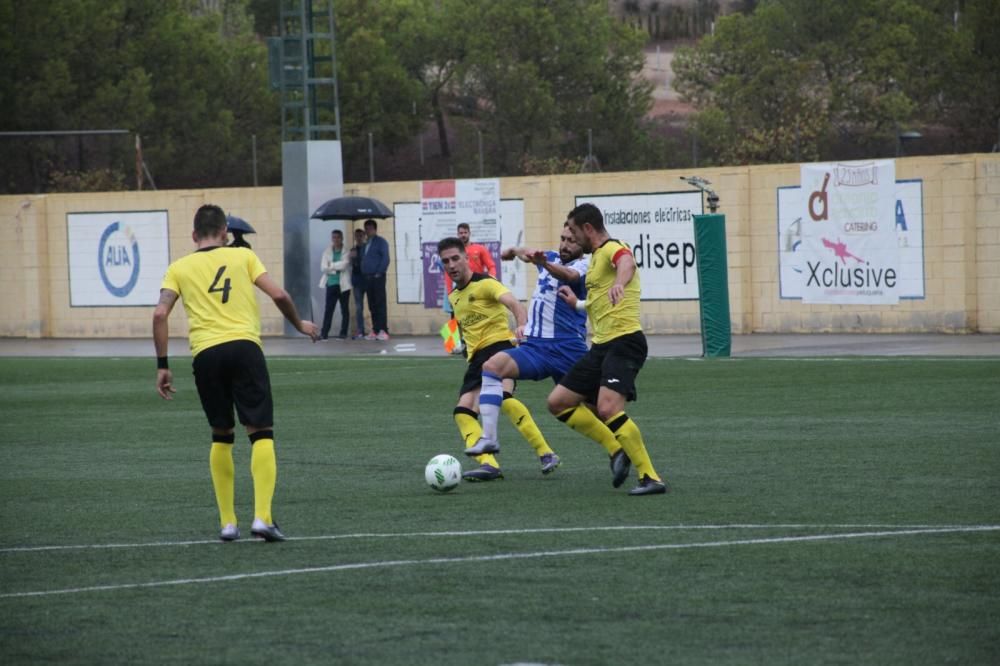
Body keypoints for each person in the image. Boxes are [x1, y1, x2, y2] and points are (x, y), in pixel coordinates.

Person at [153, 204, 319, 542]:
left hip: (206, 355)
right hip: (244, 348)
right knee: (260, 432)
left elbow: (159, 315)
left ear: (194, 235)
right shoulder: (243, 257)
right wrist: (299, 324)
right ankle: (262, 518)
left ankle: (228, 523)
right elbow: (279, 294)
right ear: (226, 232)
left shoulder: (178, 268)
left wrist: (163, 365)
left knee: (221, 434)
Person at [463, 222, 628, 476]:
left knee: (601, 409)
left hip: (568, 352)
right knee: (492, 367)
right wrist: (512, 250)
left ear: (582, 242)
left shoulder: (586, 266)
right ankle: (489, 438)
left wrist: (545, 264)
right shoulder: (549, 257)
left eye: (571, 240)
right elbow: (527, 252)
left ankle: (623, 451)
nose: (564, 244)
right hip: (537, 349)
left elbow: (568, 276)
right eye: (562, 238)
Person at [546, 203, 669, 496]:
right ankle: (617, 449)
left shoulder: (614, 247)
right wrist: (575, 304)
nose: (573, 240)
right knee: (558, 402)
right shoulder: (595, 260)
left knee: (608, 408)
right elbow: (597, 300)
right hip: (600, 346)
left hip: (625, 341)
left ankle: (651, 477)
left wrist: (620, 283)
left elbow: (627, 262)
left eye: (574, 233)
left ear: (588, 229)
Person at [437, 236, 554, 481]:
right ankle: (489, 464)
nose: (451, 265)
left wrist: (522, 327)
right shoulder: (454, 297)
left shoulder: (486, 283)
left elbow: (515, 304)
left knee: (505, 398)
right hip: (476, 359)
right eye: (445, 261)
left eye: (455, 258)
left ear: (466, 258)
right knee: (462, 412)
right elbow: (463, 329)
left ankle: (545, 453)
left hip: (500, 348)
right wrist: (459, 347)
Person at [444, 222, 497, 354]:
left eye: (465, 232)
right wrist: (449, 290)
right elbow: (447, 272)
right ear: (457, 234)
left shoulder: (479, 248)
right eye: (460, 233)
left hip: (475, 286)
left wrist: (492, 279)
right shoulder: (454, 252)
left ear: (469, 233)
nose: (463, 235)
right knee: (454, 315)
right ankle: (451, 345)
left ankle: (473, 342)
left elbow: (491, 265)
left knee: (475, 314)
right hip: (458, 287)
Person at [317, 229, 352, 340]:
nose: (336, 239)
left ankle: (343, 333)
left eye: (338, 237)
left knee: (344, 309)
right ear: (332, 239)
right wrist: (334, 268)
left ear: (342, 238)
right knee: (329, 309)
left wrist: (330, 266)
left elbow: (344, 265)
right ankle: (324, 333)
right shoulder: (327, 251)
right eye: (334, 237)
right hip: (331, 284)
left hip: (344, 285)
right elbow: (323, 267)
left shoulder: (346, 251)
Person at [361, 219, 391, 341]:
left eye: (369, 228)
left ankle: (383, 330)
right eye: (366, 229)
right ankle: (375, 329)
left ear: (375, 229)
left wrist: (379, 272)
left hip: (377, 277)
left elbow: (385, 258)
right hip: (367, 278)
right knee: (372, 305)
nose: (367, 231)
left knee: (380, 303)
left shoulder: (381, 242)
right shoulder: (365, 243)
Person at [350, 228, 368, 339]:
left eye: (361, 235)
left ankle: (375, 330)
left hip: (367, 280)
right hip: (357, 281)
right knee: (358, 307)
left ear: (364, 236)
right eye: (357, 236)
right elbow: (352, 266)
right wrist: (352, 258)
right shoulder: (353, 250)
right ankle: (360, 330)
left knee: (372, 305)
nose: (359, 238)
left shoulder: (367, 248)